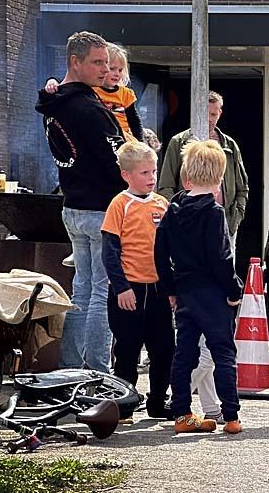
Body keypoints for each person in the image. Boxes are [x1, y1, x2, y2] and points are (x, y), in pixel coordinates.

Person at [36, 30, 126, 373]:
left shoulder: (54, 102)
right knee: (101, 294)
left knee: (83, 292)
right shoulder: (89, 109)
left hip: (72, 207)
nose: (105, 70)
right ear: (75, 62)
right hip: (101, 210)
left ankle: (70, 367)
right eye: (97, 62)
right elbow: (116, 163)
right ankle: (98, 374)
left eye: (107, 62)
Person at [155, 140, 244, 435]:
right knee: (223, 352)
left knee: (184, 353)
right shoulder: (214, 212)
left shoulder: (174, 208)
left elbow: (159, 251)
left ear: (185, 175)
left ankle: (182, 413)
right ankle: (230, 416)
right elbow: (221, 257)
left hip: (183, 290)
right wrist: (234, 291)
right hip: (212, 294)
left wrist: (169, 288)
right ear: (219, 178)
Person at [100, 141, 173, 419]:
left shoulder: (161, 204)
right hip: (128, 291)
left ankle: (157, 401)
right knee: (127, 351)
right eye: (144, 173)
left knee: (164, 348)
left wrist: (172, 288)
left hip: (158, 290)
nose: (151, 178)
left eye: (153, 172)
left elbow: (170, 250)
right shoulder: (120, 204)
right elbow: (110, 252)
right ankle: (125, 404)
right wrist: (121, 287)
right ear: (126, 175)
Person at [158, 91, 249, 240]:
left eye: (213, 115)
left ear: (220, 113)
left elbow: (242, 186)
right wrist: (177, 214)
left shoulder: (230, 145)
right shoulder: (179, 142)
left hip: (224, 222)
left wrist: (236, 216)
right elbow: (166, 185)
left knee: (223, 261)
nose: (209, 119)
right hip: (189, 221)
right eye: (205, 114)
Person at [45, 43, 144, 143]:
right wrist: (53, 82)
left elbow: (134, 121)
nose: (116, 74)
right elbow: (69, 84)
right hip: (101, 134)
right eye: (112, 69)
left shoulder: (125, 94)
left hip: (123, 137)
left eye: (120, 70)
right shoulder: (91, 88)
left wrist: (141, 142)